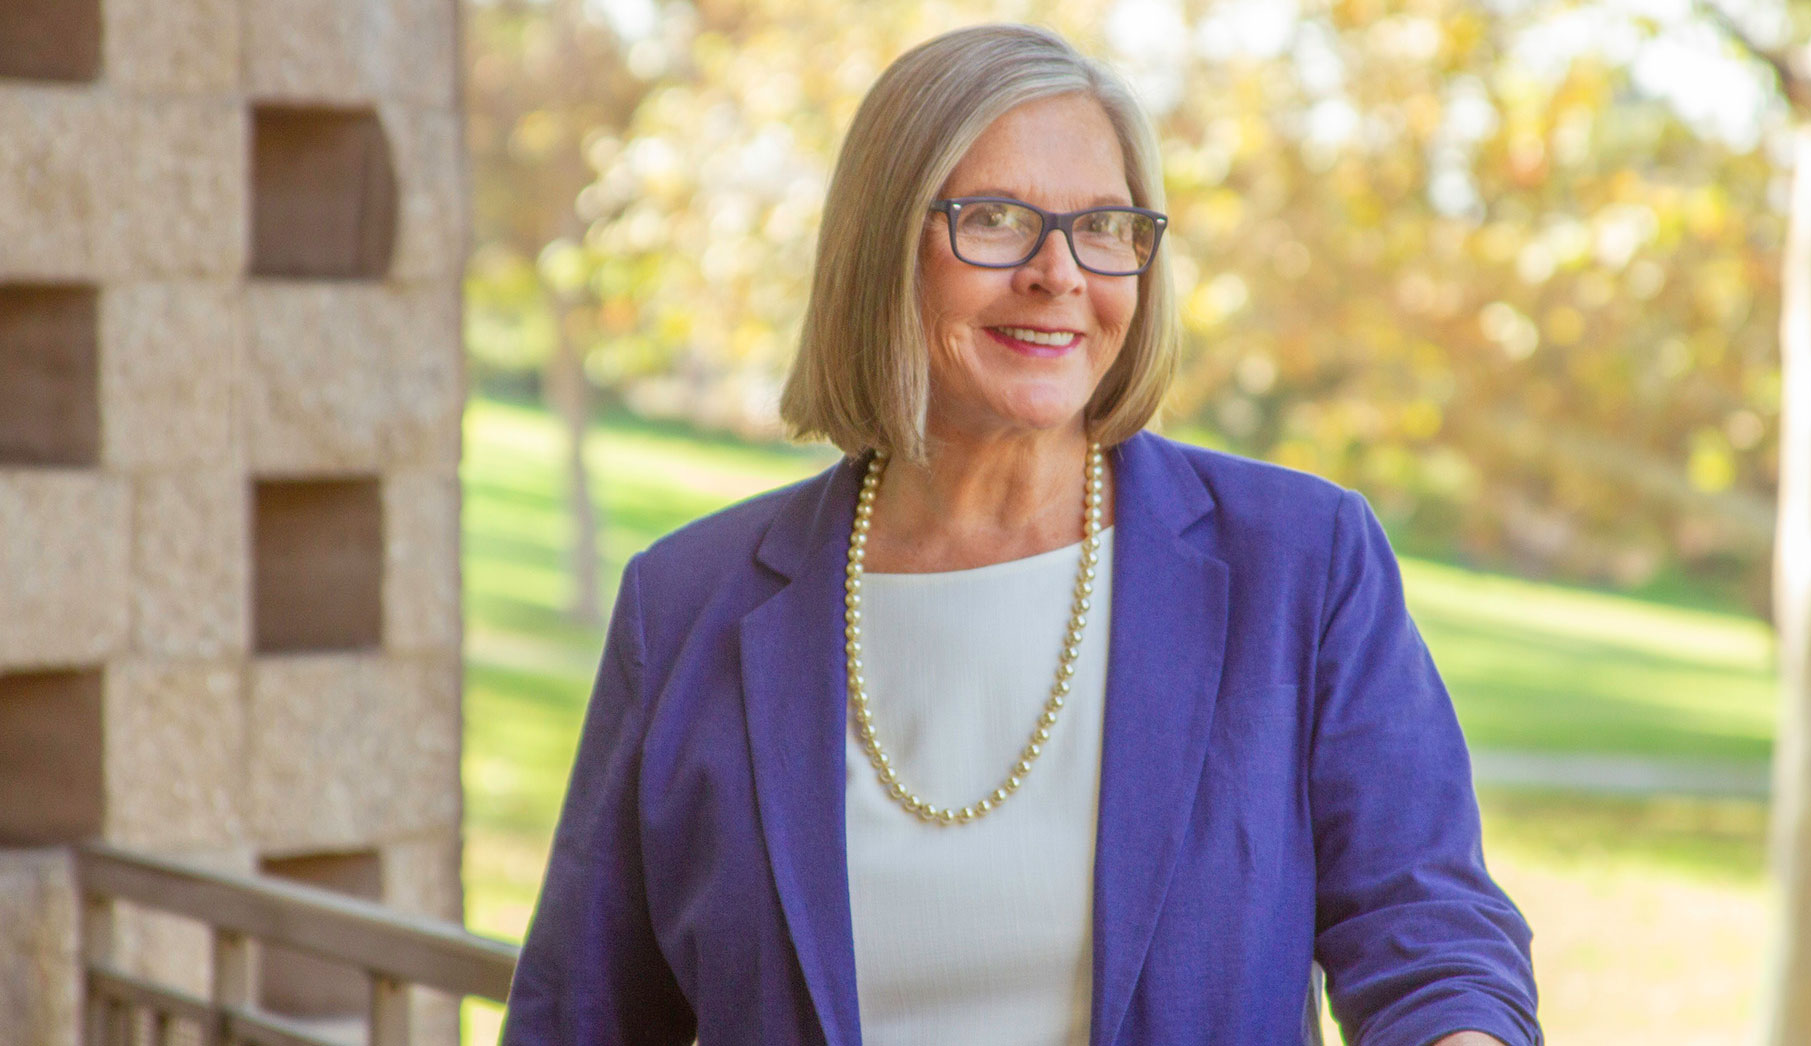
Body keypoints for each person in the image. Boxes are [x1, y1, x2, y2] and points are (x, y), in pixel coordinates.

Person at [501, 23, 1539, 1046]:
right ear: (882, 247)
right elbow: (577, 1016)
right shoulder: (687, 604)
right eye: (995, 218)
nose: (1059, 272)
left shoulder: (1303, 563)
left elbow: (1428, 932)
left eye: (1107, 226)